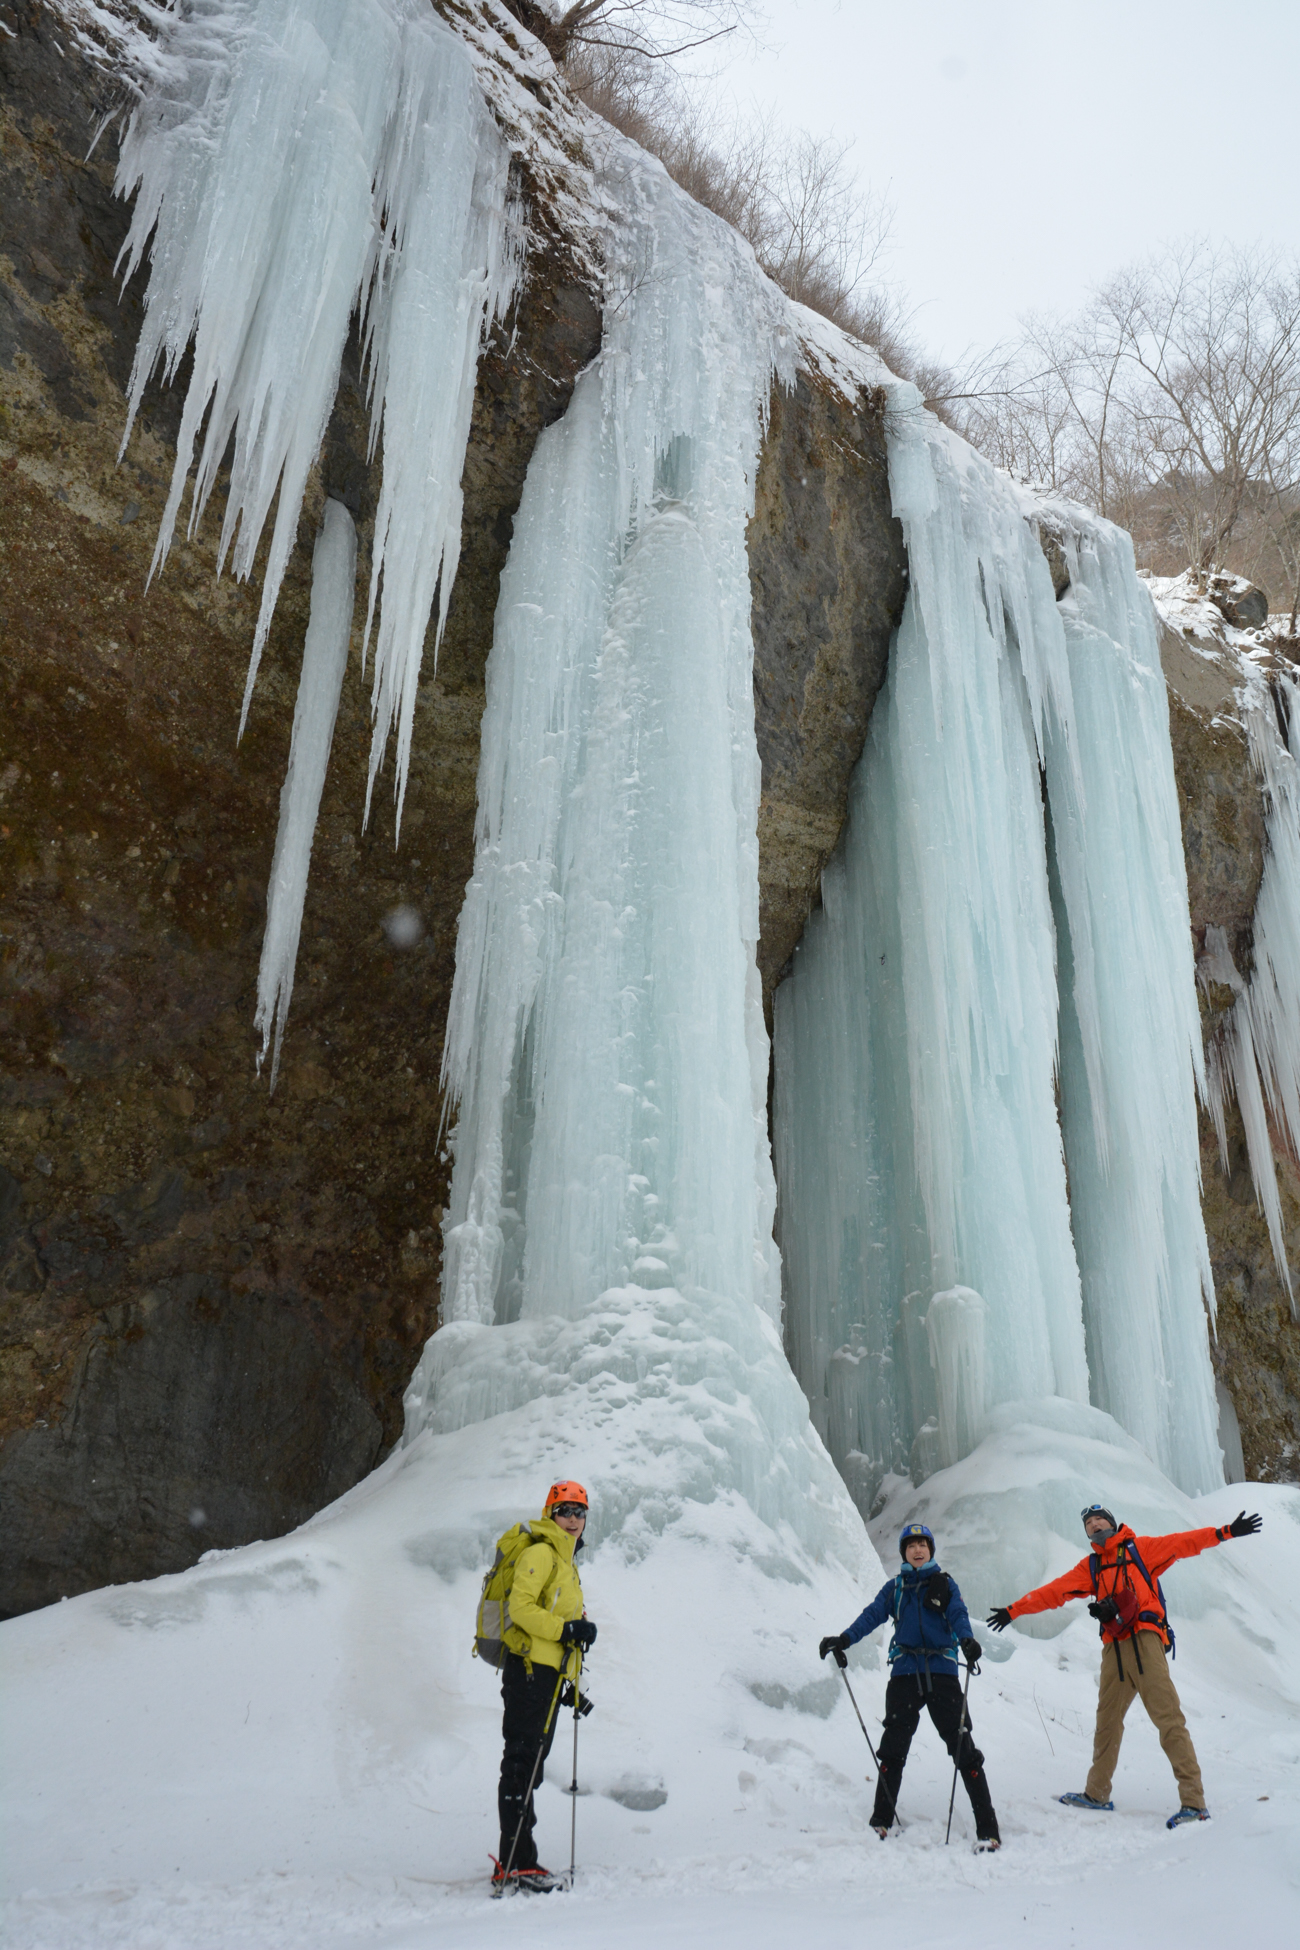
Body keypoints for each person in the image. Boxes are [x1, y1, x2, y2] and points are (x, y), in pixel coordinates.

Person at [987, 1502, 1262, 1829]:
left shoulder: (1141, 1549)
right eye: (1089, 1524)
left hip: (1146, 1640)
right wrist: (1013, 1610)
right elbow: (1055, 1591)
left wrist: (1225, 1532)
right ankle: (1096, 1793)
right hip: (1114, 1650)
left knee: (1168, 1719)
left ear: (1113, 1523)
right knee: (1107, 1722)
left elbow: (1183, 1542)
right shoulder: (1091, 1567)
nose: (1095, 1525)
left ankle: (1194, 1802)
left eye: (1100, 1519)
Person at [820, 1521, 1000, 1850]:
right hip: (904, 1675)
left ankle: (988, 1829)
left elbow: (958, 1613)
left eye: (923, 1544)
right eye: (911, 1545)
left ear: (931, 1550)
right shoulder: (896, 1589)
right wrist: (844, 1639)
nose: (917, 1550)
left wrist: (968, 1642)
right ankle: (881, 1821)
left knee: (964, 1750)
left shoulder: (945, 1584)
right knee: (893, 1750)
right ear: (904, 1552)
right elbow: (872, 1615)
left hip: (942, 1673)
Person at [494, 1479, 597, 1893]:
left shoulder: (567, 1563)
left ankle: (519, 1860)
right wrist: (566, 1628)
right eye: (565, 1510)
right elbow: (521, 1609)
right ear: (550, 1513)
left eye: (580, 1512)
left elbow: (558, 1632)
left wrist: (570, 1677)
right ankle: (516, 1863)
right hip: (529, 1673)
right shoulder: (541, 1552)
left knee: (529, 1766)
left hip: (547, 1677)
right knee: (521, 1763)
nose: (573, 1520)